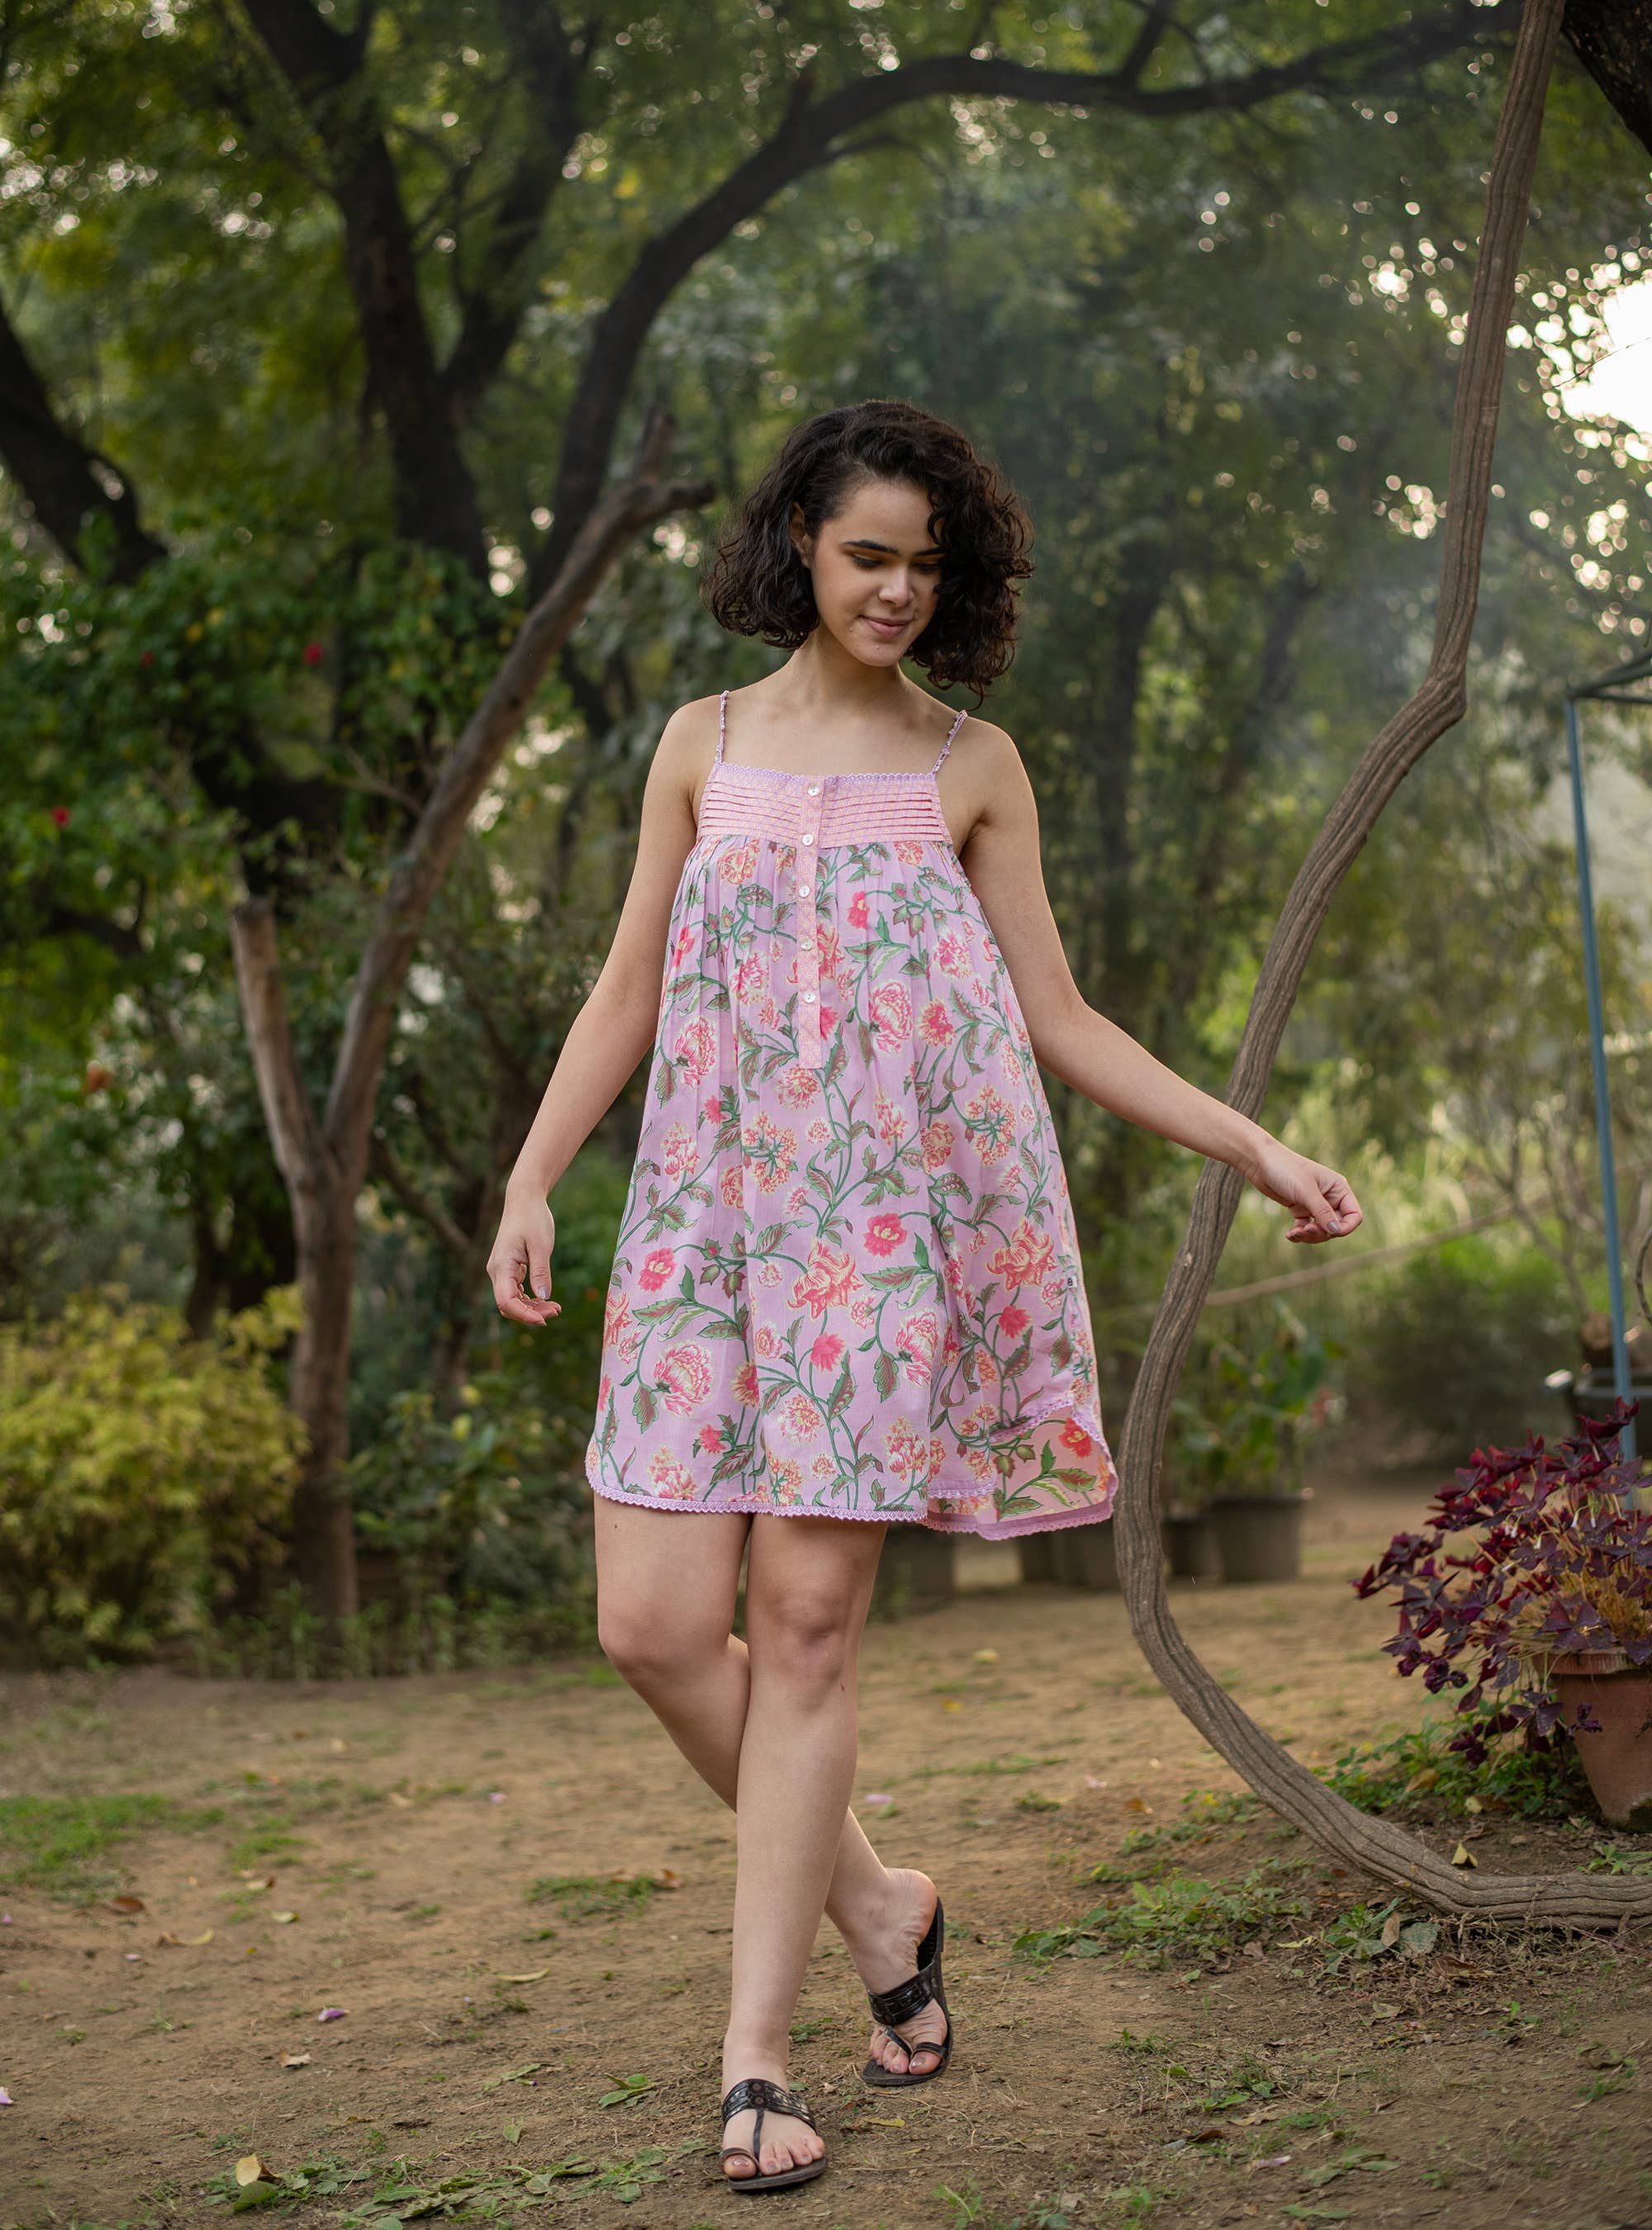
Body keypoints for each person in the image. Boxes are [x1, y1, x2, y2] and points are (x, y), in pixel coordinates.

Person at [487, 399, 1363, 2194]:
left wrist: (1255, 1146)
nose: (895, 590)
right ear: (799, 548)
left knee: (806, 1633)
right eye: (866, 555)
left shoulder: (973, 766)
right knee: (652, 1629)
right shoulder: (701, 745)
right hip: (702, 1235)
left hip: (887, 1256)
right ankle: (881, 1902)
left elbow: (1064, 1019)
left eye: (924, 566)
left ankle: (753, 2062)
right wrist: (531, 1177)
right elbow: (626, 988)